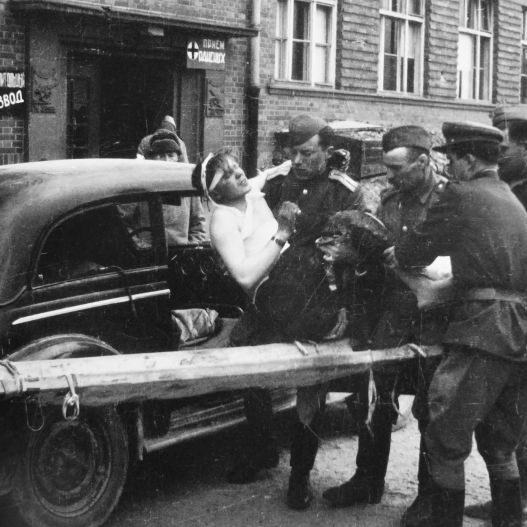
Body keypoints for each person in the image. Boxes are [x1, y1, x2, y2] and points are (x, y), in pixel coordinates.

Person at [395, 121, 527, 527]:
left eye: (451, 159)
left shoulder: (461, 194)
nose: (448, 169)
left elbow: (414, 250)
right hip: (517, 333)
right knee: (499, 439)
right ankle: (509, 520)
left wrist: (397, 253)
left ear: (469, 160)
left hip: (481, 330)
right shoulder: (511, 199)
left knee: (444, 435)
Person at [322, 126, 448, 511]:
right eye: (387, 168)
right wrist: (355, 257)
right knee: (374, 397)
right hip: (391, 315)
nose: (389, 177)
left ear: (423, 162)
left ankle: (428, 497)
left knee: (431, 409)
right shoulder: (391, 200)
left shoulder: (450, 200)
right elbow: (376, 258)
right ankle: (367, 480)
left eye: (396, 168)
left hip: (434, 318)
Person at [251, 115, 368, 509]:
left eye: (306, 153)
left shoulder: (344, 193)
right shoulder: (275, 183)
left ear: (327, 151)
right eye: (293, 153)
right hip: (273, 296)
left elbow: (355, 252)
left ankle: (299, 477)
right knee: (248, 366)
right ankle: (261, 451)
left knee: (311, 389)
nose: (298, 161)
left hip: (318, 302)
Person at [464, 106, 527, 522]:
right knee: (508, 418)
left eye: (505, 148)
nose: (499, 157)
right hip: (512, 314)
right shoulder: (507, 187)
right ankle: (512, 503)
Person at [147, 130, 208, 245]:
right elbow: (126, 223)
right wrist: (140, 247)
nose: (166, 161)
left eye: (171, 155)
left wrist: (188, 250)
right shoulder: (141, 186)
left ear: (177, 158)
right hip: (147, 253)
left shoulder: (188, 187)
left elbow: (198, 227)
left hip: (181, 252)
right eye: (160, 155)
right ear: (152, 158)